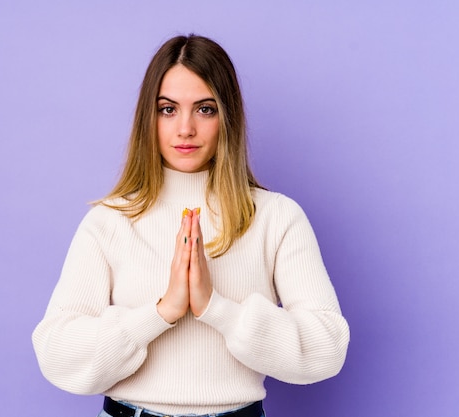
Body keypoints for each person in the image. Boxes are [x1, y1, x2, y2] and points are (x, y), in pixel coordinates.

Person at [32, 34, 350, 417]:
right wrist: (161, 313)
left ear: (227, 117)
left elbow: (327, 348)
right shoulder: (109, 220)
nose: (185, 128)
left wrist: (216, 308)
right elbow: (56, 353)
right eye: (168, 109)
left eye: (204, 109)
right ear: (148, 117)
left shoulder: (276, 217)